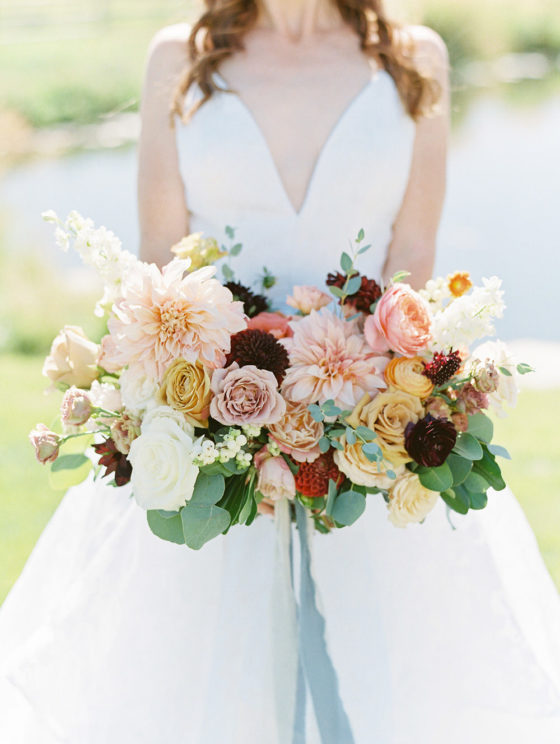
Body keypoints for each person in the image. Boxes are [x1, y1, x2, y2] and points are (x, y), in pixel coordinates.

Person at [1, 1, 560, 742]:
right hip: (209, 429)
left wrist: (345, 402)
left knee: (408, 693)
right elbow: (162, 256)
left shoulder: (412, 56)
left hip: (369, 429)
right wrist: (231, 408)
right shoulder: (180, 55)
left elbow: (411, 257)